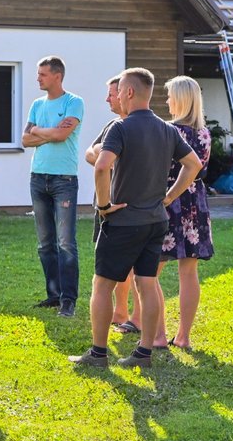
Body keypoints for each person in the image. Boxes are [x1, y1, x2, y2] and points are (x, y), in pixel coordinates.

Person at [71, 68, 202, 369]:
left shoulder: (120, 127)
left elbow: (101, 166)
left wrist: (104, 205)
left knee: (102, 284)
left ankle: (99, 353)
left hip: (123, 221)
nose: (115, 97)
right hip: (156, 220)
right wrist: (168, 197)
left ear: (129, 92)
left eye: (117, 92)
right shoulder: (168, 129)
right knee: (147, 282)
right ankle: (144, 353)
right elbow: (192, 164)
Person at [150, 76, 213, 350]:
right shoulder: (204, 133)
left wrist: (166, 196)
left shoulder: (166, 131)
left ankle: (159, 336)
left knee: (150, 273)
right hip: (195, 202)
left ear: (180, 99)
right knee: (189, 273)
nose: (166, 101)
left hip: (168, 200)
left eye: (169, 96)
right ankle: (184, 337)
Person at [21, 56, 84, 317]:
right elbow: (25, 139)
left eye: (42, 74)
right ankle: (53, 295)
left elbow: (61, 135)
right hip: (38, 178)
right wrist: (48, 132)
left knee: (65, 242)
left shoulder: (74, 102)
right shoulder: (37, 104)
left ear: (57, 76)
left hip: (63, 180)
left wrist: (40, 131)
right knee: (45, 243)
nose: (38, 78)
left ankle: (68, 300)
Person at [84, 76, 138, 333]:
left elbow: (105, 160)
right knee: (110, 264)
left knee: (129, 267)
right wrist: (100, 154)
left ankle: (128, 315)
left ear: (126, 94)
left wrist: (102, 156)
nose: (107, 99)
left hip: (121, 205)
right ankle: (120, 310)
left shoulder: (133, 127)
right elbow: (90, 153)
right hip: (102, 205)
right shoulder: (112, 125)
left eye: (111, 94)